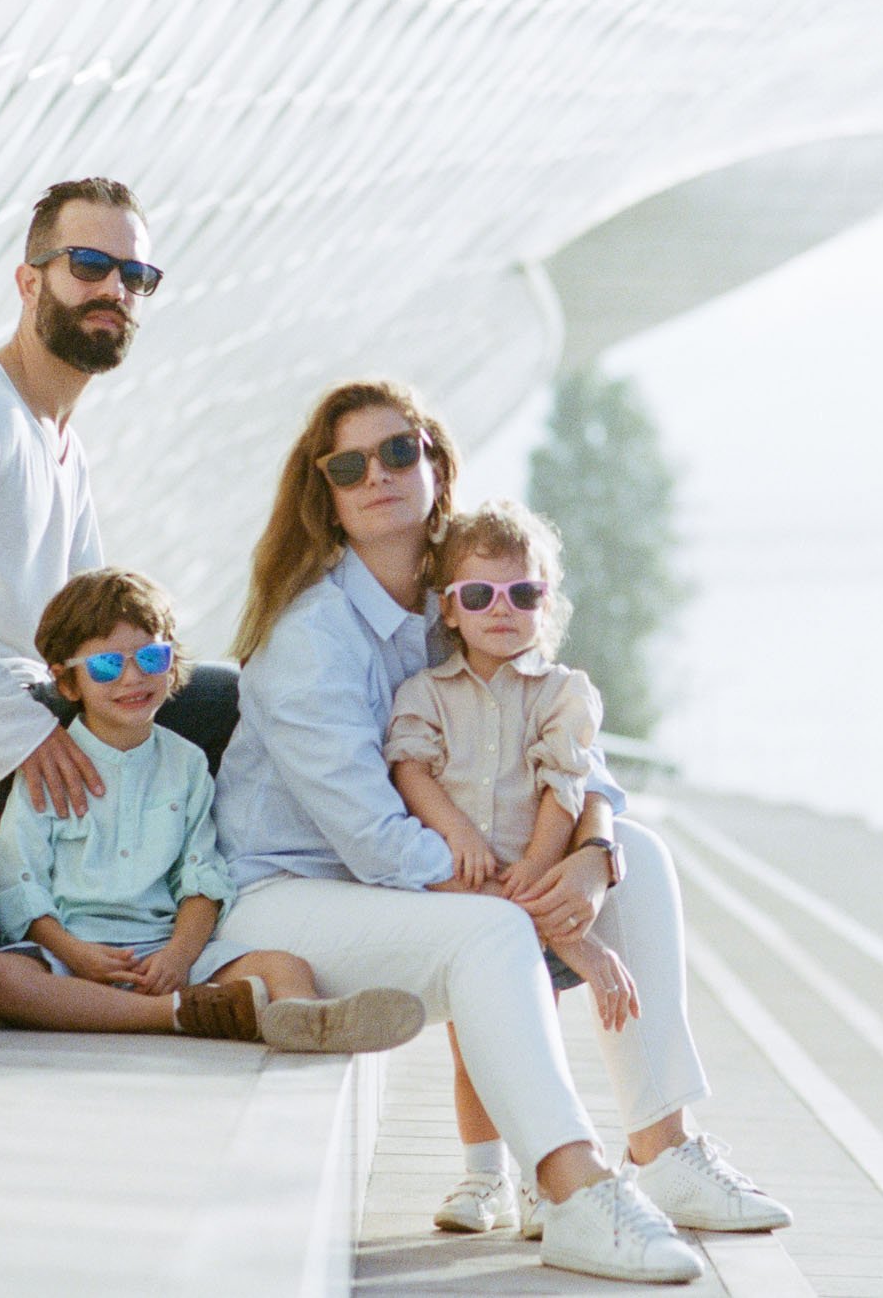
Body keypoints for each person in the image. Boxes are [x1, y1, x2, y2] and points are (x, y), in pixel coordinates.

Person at [214, 380, 791, 1286]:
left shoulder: (464, 601)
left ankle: (664, 1146)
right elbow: (380, 844)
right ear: (324, 497)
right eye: (349, 465)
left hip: (406, 899)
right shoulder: (312, 639)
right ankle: (574, 1191)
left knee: (645, 858)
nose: (379, 475)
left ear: (436, 465)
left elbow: (576, 755)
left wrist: (594, 859)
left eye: (400, 451)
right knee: (488, 928)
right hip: (286, 907)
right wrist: (535, 905)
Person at [0, 177, 236, 834]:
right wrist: (21, 734)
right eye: (88, 265)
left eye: (134, 275)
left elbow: (91, 622)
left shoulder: (61, 441)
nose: (113, 290)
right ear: (29, 283)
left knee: (229, 700)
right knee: (226, 708)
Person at [0, 567, 425, 1054]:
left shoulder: (187, 764)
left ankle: (304, 1017)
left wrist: (178, 957)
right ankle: (177, 1014)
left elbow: (201, 875)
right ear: (68, 682)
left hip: (164, 951)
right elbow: (22, 880)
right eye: (105, 666)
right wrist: (72, 952)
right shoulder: (50, 768)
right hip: (70, 954)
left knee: (286, 967)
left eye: (151, 657)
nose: (133, 678)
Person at [385, 500, 641, 1232]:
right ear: (450, 609)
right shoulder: (425, 693)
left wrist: (534, 865)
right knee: (472, 1043)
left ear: (545, 604)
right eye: (479, 595)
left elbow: (566, 782)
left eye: (522, 594)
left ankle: (539, 1177)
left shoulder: (564, 693)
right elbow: (410, 767)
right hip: (463, 893)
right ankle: (481, 1177)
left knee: (533, 1037)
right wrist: (456, 829)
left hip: (531, 886)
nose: (503, 609)